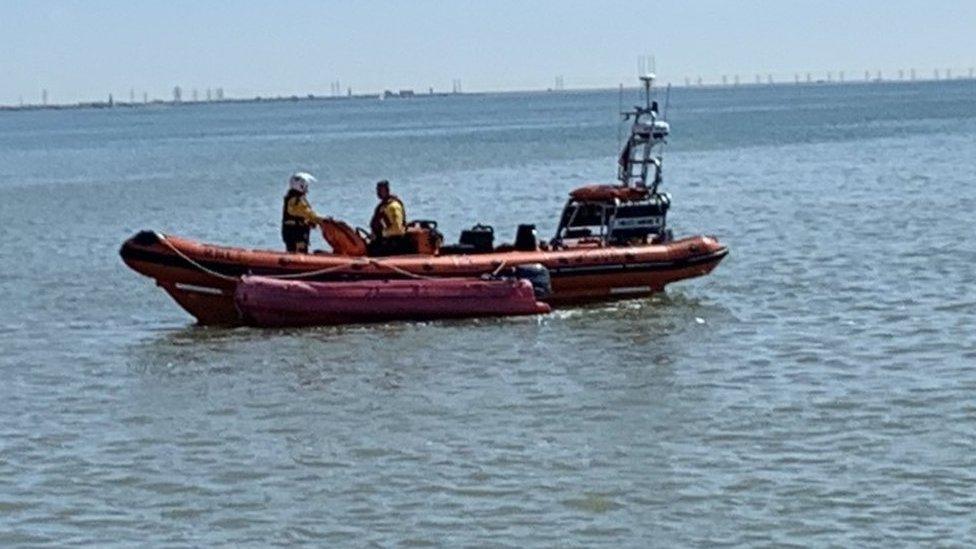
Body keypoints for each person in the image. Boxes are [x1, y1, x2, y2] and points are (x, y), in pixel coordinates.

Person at [281, 172, 324, 253]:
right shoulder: (296, 201)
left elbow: (302, 215)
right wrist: (322, 220)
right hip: (296, 234)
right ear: (300, 186)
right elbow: (307, 213)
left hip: (292, 232)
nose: (307, 188)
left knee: (293, 250)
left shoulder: (293, 198)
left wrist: (309, 222)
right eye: (306, 186)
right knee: (299, 251)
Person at [367, 180, 410, 255]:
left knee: (373, 250)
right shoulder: (383, 206)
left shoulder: (393, 206)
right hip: (384, 240)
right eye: (377, 190)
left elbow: (397, 230)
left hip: (394, 242)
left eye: (380, 190)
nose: (378, 193)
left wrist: (382, 233)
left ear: (386, 190)